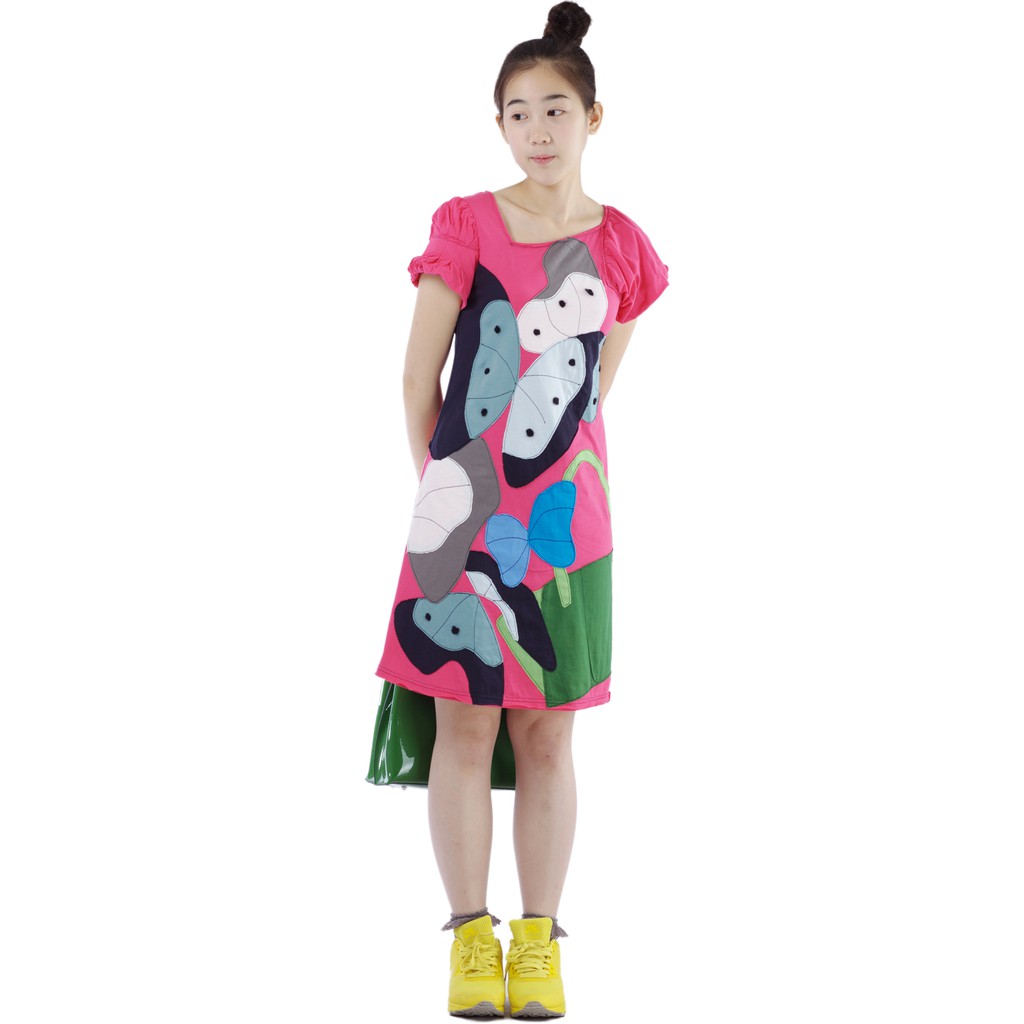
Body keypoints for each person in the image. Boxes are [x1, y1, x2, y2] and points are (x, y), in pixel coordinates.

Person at [373, 3, 669, 1016]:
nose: (537, 130)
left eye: (555, 109)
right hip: (461, 510)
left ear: (594, 117)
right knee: (463, 724)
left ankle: (539, 943)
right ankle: (470, 938)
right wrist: (446, 494)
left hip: (569, 527)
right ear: (497, 125)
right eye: (517, 113)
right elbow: (416, 380)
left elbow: (591, 395)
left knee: (548, 734)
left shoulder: (622, 246)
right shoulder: (466, 223)